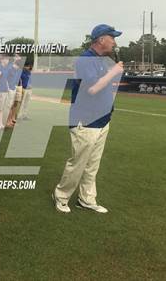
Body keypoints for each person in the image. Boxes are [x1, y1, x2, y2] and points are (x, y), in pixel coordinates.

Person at [52, 24, 124, 214]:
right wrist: (114, 72)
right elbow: (92, 89)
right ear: (101, 39)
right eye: (112, 37)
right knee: (78, 163)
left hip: (102, 119)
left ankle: (87, 198)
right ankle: (61, 196)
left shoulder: (102, 60)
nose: (114, 41)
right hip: (86, 120)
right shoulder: (86, 59)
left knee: (93, 164)